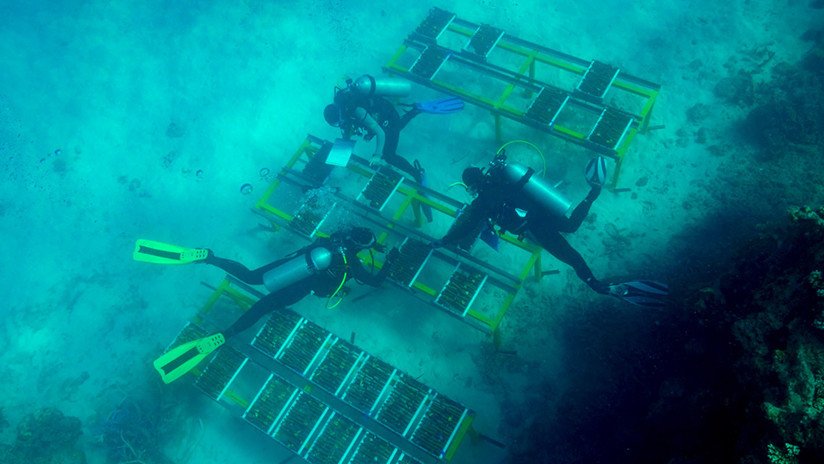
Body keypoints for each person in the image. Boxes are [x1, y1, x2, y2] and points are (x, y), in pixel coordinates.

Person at [134, 226, 399, 383]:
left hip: (288, 267)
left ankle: (209, 258)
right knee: (262, 307)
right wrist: (389, 261)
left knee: (250, 276)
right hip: (301, 285)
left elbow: (339, 241)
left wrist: (367, 245)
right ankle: (224, 335)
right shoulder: (352, 262)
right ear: (362, 247)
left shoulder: (337, 237)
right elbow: (374, 281)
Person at [434, 154, 668, 307]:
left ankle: (600, 287)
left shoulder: (481, 204)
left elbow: (465, 228)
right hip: (544, 213)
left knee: (573, 258)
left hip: (534, 228)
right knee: (571, 226)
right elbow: (528, 181)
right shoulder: (502, 176)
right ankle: (593, 193)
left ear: (472, 187)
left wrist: (444, 240)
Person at [323, 74, 463, 184]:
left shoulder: (355, 111)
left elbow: (380, 133)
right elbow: (357, 129)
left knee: (388, 155)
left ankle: (416, 174)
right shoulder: (344, 110)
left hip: (388, 116)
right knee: (395, 129)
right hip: (383, 115)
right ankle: (416, 110)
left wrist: (377, 155)